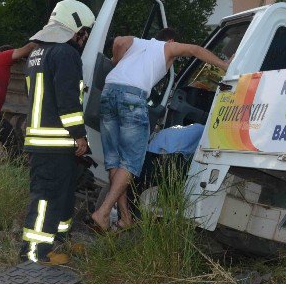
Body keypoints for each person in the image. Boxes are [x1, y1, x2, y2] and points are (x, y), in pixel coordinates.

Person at [90, 28, 228, 232]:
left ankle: (125, 218)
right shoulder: (165, 47)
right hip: (131, 98)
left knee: (115, 162)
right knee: (131, 162)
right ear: (171, 40)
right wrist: (224, 64)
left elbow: (119, 41)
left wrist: (117, 61)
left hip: (108, 93)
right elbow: (195, 49)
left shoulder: (136, 43)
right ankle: (102, 212)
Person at [20, 0, 94, 264]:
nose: (85, 38)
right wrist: (80, 135)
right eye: (85, 32)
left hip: (45, 141)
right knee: (47, 198)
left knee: (60, 197)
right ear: (76, 30)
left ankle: (58, 242)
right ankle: (35, 252)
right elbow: (67, 100)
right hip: (55, 141)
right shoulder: (66, 54)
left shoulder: (38, 52)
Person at [0, 42, 37, 154]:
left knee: (10, 137)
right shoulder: (2, 57)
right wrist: (44, 40)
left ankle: (16, 164)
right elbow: (29, 47)